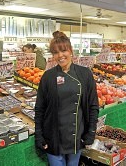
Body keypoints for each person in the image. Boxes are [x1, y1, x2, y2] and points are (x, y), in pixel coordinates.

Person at [35, 31, 99, 166]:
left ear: (70, 51)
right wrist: (39, 135)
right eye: (55, 53)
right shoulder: (48, 76)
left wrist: (91, 131)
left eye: (63, 51)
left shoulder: (85, 74)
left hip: (77, 136)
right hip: (53, 137)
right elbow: (40, 108)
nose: (60, 56)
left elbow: (93, 105)